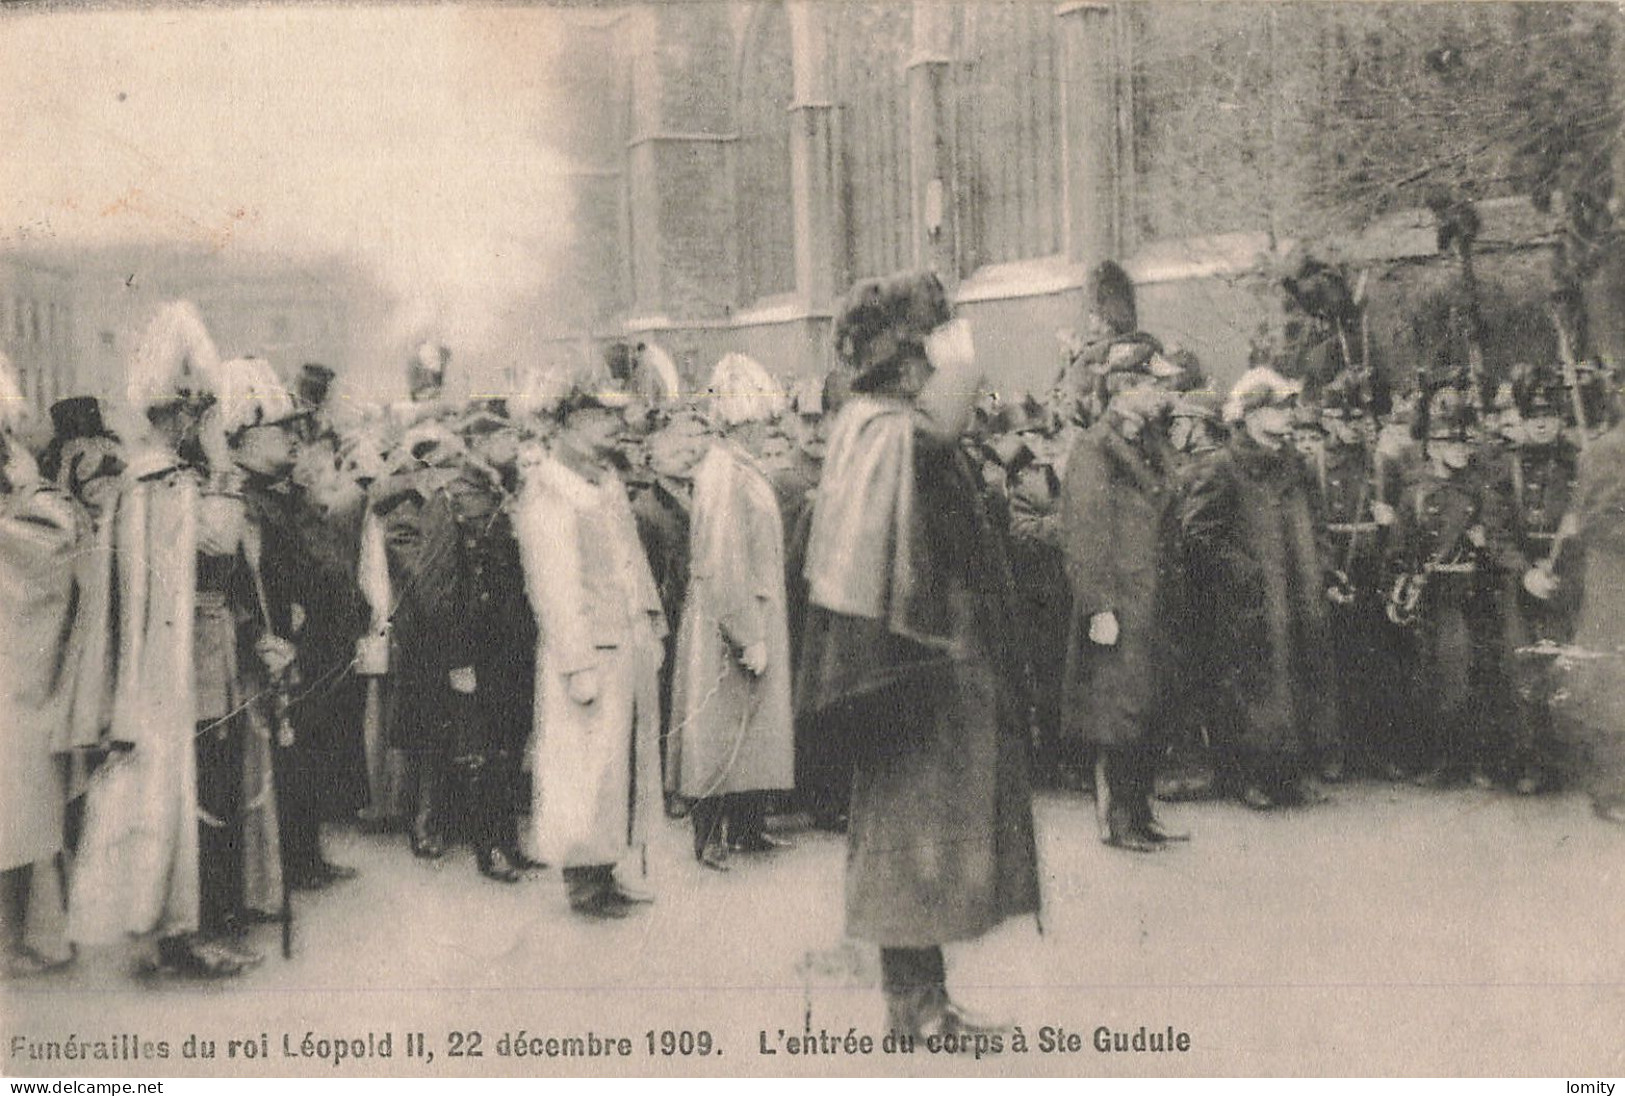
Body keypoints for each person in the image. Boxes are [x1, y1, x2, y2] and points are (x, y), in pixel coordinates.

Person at [799, 270, 1040, 1037]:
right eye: (928, 353)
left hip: (916, 660)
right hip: (908, 666)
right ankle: (916, 1009)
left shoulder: (877, 424)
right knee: (911, 837)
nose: (938, 367)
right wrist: (962, 356)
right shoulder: (882, 426)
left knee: (921, 837)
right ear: (907, 360)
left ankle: (922, 999)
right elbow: (936, 431)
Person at [70, 302, 272, 978]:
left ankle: (197, 924)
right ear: (174, 417)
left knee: (209, 791)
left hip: (201, 656)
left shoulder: (166, 481)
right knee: (187, 798)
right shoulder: (157, 483)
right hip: (169, 668)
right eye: (196, 416)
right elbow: (215, 542)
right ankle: (183, 931)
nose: (201, 426)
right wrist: (222, 467)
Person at [513, 391, 667, 919]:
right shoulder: (549, 490)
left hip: (624, 642)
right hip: (586, 652)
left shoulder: (606, 482)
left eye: (612, 418)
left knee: (616, 766)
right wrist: (576, 662)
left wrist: (652, 620)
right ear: (568, 426)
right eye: (599, 419)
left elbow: (632, 560)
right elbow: (553, 586)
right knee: (583, 769)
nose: (611, 428)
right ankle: (583, 881)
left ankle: (606, 868)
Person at [1180, 366, 1338, 810]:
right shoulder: (1223, 468)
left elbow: (1318, 524)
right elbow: (1198, 533)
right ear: (1249, 416)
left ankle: (1291, 775)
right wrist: (1242, 572)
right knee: (1253, 686)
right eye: (1277, 408)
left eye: (1289, 407)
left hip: (1298, 592)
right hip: (1250, 600)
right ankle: (1251, 777)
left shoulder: (1297, 466)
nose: (1288, 416)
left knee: (1299, 678)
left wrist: (1322, 565)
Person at [667, 354, 795, 871]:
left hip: (755, 609)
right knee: (720, 726)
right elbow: (723, 560)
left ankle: (746, 825)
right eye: (759, 423)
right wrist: (746, 633)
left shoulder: (740, 468)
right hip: (733, 616)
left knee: (751, 724)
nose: (767, 432)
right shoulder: (724, 473)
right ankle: (709, 833)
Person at [1059, 385, 1187, 851]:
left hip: (1153, 597)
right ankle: (1118, 819)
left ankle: (1142, 812)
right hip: (1119, 600)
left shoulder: (1149, 444)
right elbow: (1085, 533)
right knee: (1118, 713)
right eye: (1150, 383)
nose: (1161, 392)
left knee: (1149, 706)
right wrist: (1098, 605)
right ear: (1122, 389)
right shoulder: (1094, 450)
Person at [0, 353, 80, 978]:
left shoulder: (24, 502)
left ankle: (28, 936)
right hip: (15, 678)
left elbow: (51, 554)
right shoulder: (26, 501)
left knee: (20, 805)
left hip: (16, 676)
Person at [1386, 387, 1506, 786]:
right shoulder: (1414, 492)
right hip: (1431, 595)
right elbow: (1400, 548)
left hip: (1471, 593)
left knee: (1471, 675)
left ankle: (1474, 760)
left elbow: (1497, 542)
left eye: (1464, 439)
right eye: (1450, 440)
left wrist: (1483, 544)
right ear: (1432, 445)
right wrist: (1400, 584)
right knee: (1430, 677)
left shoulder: (1478, 489)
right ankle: (1440, 757)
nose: (1461, 448)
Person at [1552, 395, 1625, 824]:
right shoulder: (1606, 451)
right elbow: (1596, 520)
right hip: (1614, 585)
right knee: (1611, 685)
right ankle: (1611, 791)